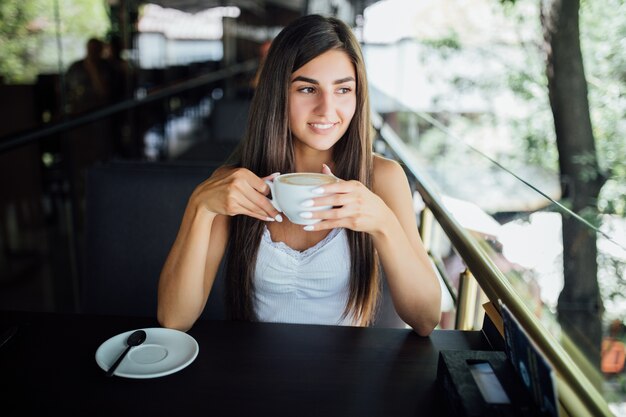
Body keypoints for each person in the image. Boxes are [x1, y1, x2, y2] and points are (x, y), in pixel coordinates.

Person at [158, 14, 441, 336]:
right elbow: (174, 319)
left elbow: (426, 318)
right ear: (277, 93)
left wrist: (384, 224)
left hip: (346, 372)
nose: (327, 108)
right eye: (307, 88)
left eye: (343, 89)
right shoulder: (240, 182)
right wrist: (199, 207)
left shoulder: (382, 178)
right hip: (256, 368)